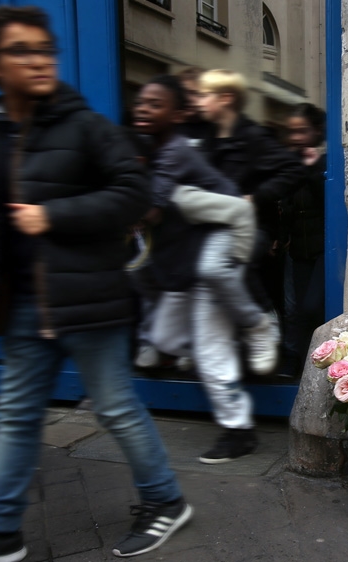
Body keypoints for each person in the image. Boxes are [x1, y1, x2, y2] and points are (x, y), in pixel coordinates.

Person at [0, 6, 190, 561]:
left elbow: (135, 193)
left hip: (87, 298)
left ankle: (164, 499)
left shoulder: (82, 124)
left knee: (114, 407)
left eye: (45, 49)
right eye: (23, 51)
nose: (39, 60)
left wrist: (53, 215)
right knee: (16, 416)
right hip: (20, 306)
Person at [130, 76, 280, 466]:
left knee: (211, 348)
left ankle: (238, 429)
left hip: (213, 251)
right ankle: (230, 345)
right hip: (184, 263)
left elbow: (154, 205)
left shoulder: (174, 152)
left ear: (178, 114)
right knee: (165, 336)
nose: (144, 108)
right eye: (141, 102)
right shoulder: (151, 147)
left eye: (155, 104)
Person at [195, 69, 304, 320]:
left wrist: (254, 197)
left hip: (250, 228)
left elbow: (293, 170)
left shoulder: (254, 137)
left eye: (204, 95)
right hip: (216, 226)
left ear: (225, 98)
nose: (198, 101)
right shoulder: (206, 140)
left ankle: (263, 320)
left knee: (224, 265)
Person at [279, 103, 327, 378]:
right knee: (294, 309)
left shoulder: (324, 163)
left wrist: (311, 170)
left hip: (322, 249)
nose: (296, 137)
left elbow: (329, 201)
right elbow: (284, 203)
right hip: (297, 249)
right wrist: (280, 236)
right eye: (292, 131)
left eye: (302, 131)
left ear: (317, 132)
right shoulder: (290, 163)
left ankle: (317, 361)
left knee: (312, 306)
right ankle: (293, 360)